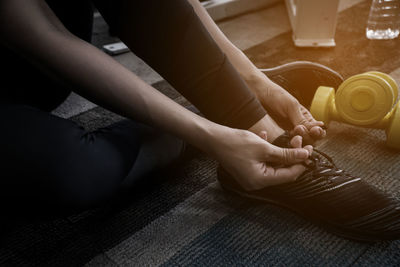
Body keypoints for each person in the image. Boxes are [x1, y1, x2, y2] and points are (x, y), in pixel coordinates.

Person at [1, 0, 399, 242]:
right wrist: (209, 136)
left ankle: (254, 124)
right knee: (74, 171)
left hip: (37, 72)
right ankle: (224, 124)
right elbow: (41, 33)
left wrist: (257, 83)